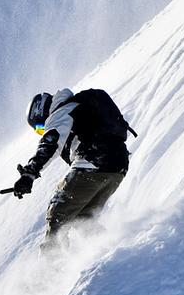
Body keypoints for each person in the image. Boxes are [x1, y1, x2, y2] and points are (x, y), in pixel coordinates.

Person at [11, 88, 135, 245]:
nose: (43, 130)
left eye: (40, 127)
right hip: (117, 168)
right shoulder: (78, 106)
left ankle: (51, 265)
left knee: (57, 213)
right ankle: (109, 250)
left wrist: (29, 173)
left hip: (94, 162)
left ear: (41, 112)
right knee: (84, 219)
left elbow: (50, 142)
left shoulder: (61, 111)